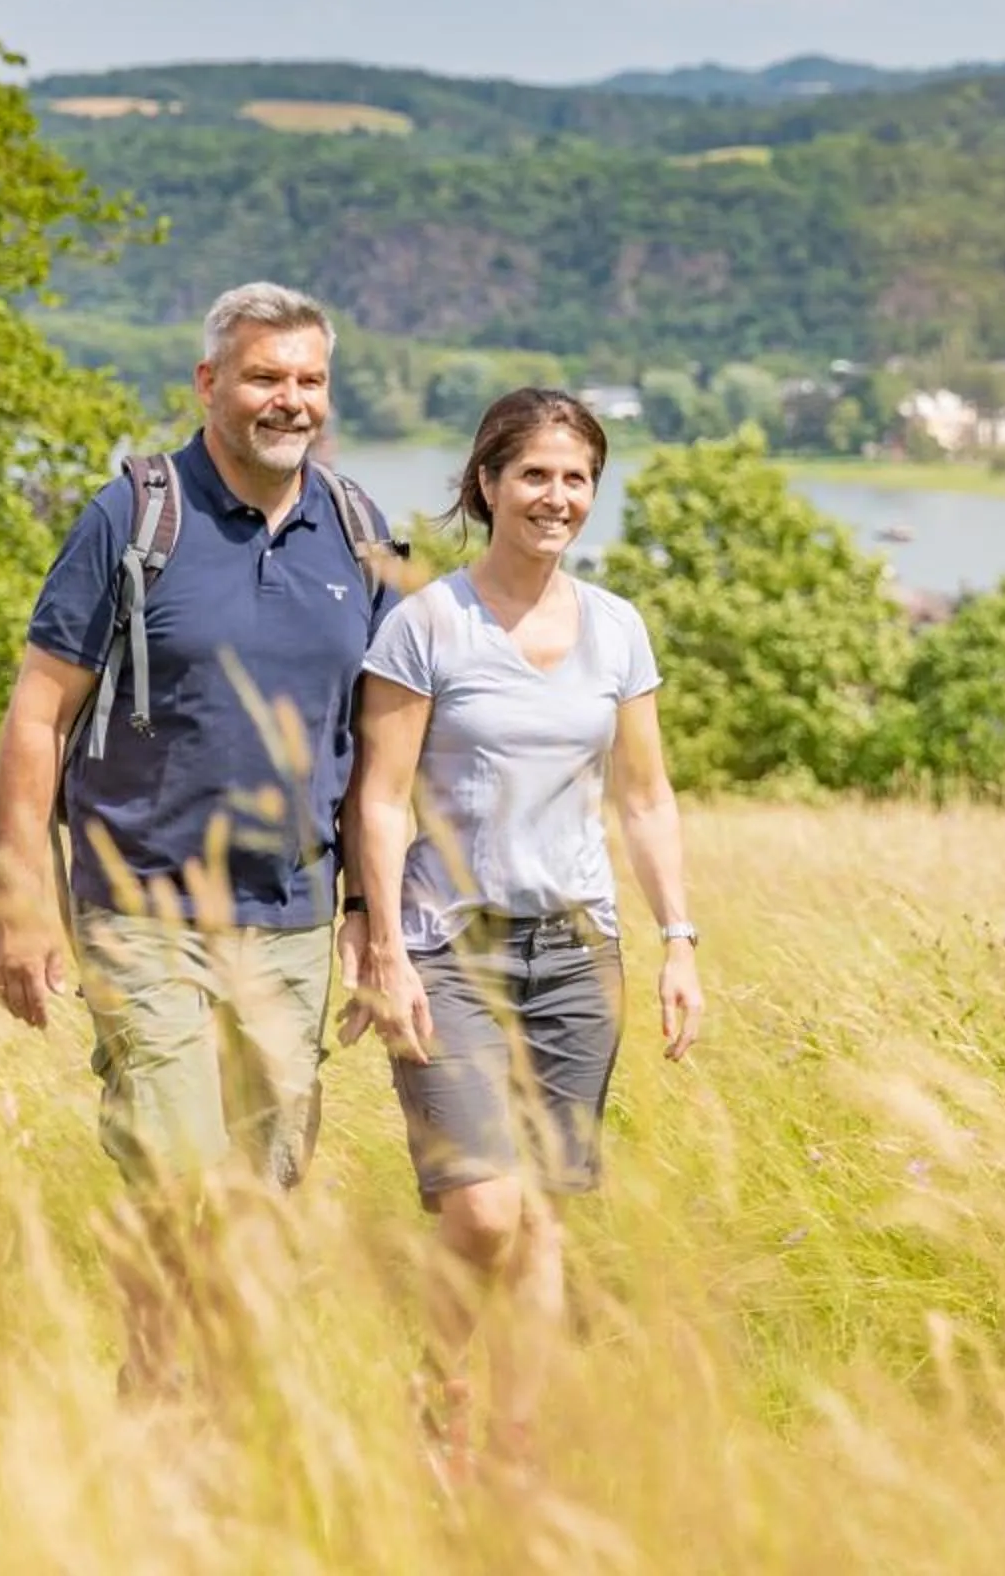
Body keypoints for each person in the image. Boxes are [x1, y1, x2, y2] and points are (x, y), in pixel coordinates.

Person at [0, 281, 393, 1397]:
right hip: (142, 909)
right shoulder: (132, 517)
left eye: (309, 379)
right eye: (265, 375)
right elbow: (37, 715)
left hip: (294, 923)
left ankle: (209, 1426)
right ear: (209, 382)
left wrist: (369, 916)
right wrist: (21, 902)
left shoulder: (358, 532)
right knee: (176, 1182)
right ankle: (159, 1419)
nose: (290, 399)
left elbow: (381, 752)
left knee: (259, 1201)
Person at [342, 385, 703, 1468]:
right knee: (486, 1211)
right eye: (535, 474)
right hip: (449, 950)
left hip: (576, 955)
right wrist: (385, 949)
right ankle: (442, 1394)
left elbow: (645, 797)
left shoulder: (617, 629)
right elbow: (380, 796)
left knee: (543, 1214)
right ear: (488, 482)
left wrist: (679, 937)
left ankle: (515, 1447)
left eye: (577, 477)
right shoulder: (427, 622)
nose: (557, 497)